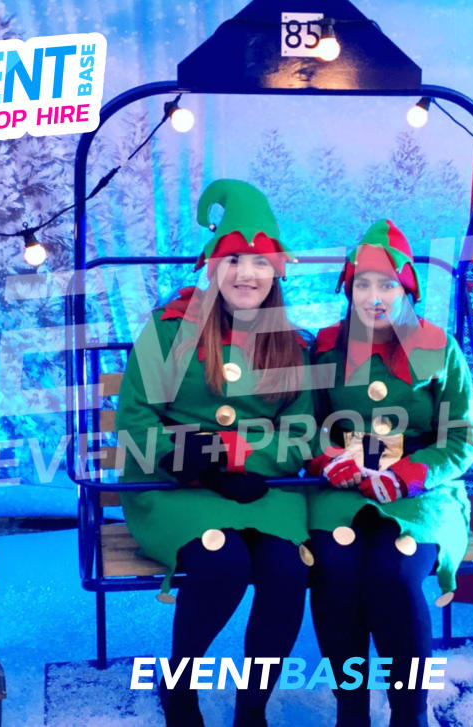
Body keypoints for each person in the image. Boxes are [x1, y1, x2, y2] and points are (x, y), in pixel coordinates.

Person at [114, 180, 315, 727]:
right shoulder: (168, 330)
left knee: (287, 570)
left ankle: (253, 707)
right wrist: (203, 460)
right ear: (213, 265)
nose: (246, 273)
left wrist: (247, 460)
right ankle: (180, 688)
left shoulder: (292, 344)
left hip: (264, 491)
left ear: (277, 270)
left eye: (259, 261)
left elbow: (302, 431)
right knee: (221, 561)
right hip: (176, 487)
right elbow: (136, 419)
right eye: (233, 259)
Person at [308, 219, 473, 727]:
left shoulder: (440, 347)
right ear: (348, 289)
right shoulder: (325, 348)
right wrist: (328, 456)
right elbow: (303, 423)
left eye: (386, 285)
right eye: (362, 284)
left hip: (422, 490)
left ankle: (410, 713)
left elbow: (464, 436)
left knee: (395, 573)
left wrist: (412, 473)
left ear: (406, 288)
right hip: (343, 485)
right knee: (335, 568)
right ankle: (351, 710)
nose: (373, 297)